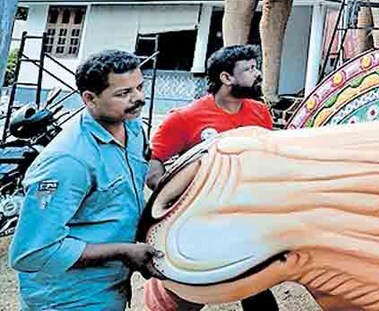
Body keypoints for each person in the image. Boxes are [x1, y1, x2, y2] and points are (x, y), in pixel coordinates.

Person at [10, 50, 160, 310]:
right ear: (90, 99)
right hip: (66, 297)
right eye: (124, 93)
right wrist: (123, 251)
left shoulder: (133, 130)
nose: (139, 98)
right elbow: (32, 252)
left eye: (139, 87)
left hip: (110, 287)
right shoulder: (67, 160)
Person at [143, 44, 278, 311]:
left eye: (255, 67)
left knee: (256, 284)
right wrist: (188, 195)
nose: (257, 74)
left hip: (247, 218)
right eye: (249, 69)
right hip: (203, 224)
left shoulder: (259, 113)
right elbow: (153, 168)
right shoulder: (184, 118)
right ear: (226, 78)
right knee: (191, 295)